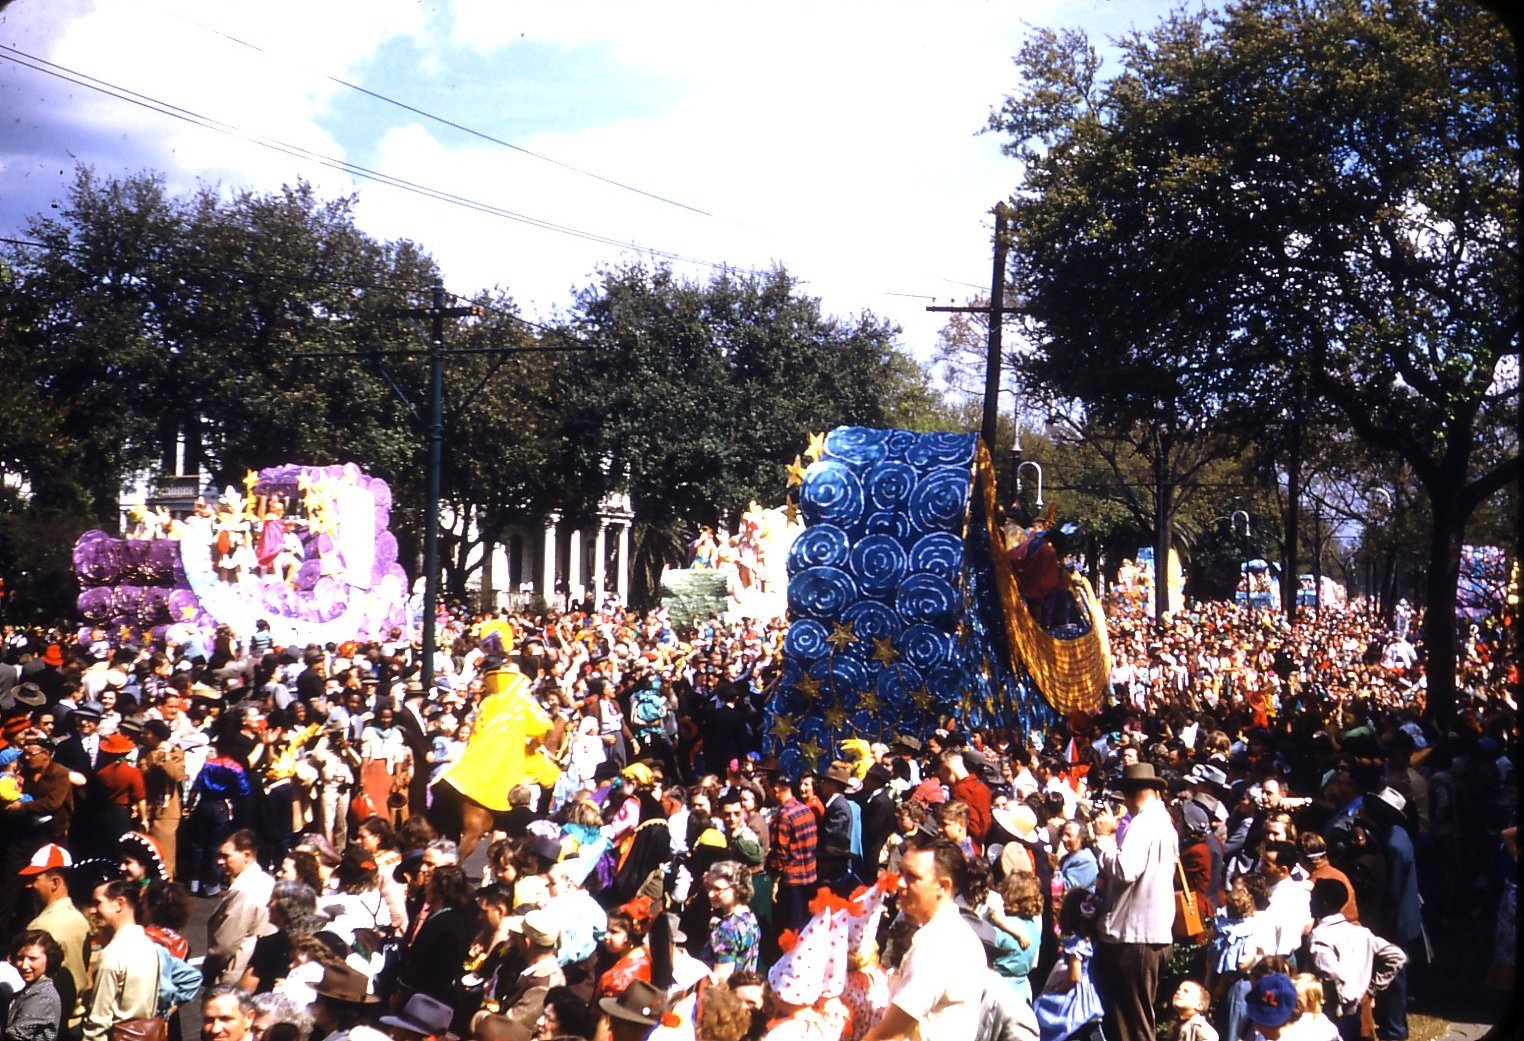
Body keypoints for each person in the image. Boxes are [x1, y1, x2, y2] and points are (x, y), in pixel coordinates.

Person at [864, 836, 986, 1041]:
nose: (900, 883)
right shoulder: (951, 932)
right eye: (901, 872)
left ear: (943, 886)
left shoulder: (939, 946)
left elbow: (889, 1035)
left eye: (912, 876)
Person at [1091, 763, 1178, 1041]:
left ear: (1130, 793)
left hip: (1135, 939)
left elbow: (1126, 870)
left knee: (1132, 1026)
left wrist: (1103, 839)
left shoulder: (1143, 824)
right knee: (1135, 1021)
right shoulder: (1164, 821)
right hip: (1148, 936)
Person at [82, 880, 160, 1041]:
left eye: (98, 903)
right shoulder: (150, 946)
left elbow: (97, 1023)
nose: (92, 910)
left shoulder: (112, 955)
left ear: (119, 904)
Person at [1033, 889, 1106, 1041]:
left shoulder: (1076, 945)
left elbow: (1074, 977)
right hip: (1095, 992)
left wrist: (1057, 989)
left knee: (1041, 1007)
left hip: (1077, 998)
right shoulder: (1094, 941)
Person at [205, 829, 275, 986]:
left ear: (247, 856)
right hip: (258, 968)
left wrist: (208, 971)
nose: (219, 861)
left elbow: (225, 945)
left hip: (235, 973)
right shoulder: (267, 881)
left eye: (226, 856)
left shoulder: (243, 891)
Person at [766, 774, 818, 934]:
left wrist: (774, 881)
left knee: (791, 932)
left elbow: (780, 855)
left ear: (776, 790)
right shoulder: (806, 810)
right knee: (806, 927)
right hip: (810, 878)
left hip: (792, 882)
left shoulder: (783, 817)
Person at [702, 861, 760, 981]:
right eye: (709, 887)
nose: (710, 894)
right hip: (744, 990)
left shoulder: (726, 929)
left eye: (718, 889)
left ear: (737, 889)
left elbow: (721, 980)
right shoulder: (749, 917)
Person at [4, 930, 66, 1041]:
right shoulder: (30, 989)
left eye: (33, 959)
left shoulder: (43, 997)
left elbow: (16, 1035)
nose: (24, 965)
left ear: (49, 959)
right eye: (20, 958)